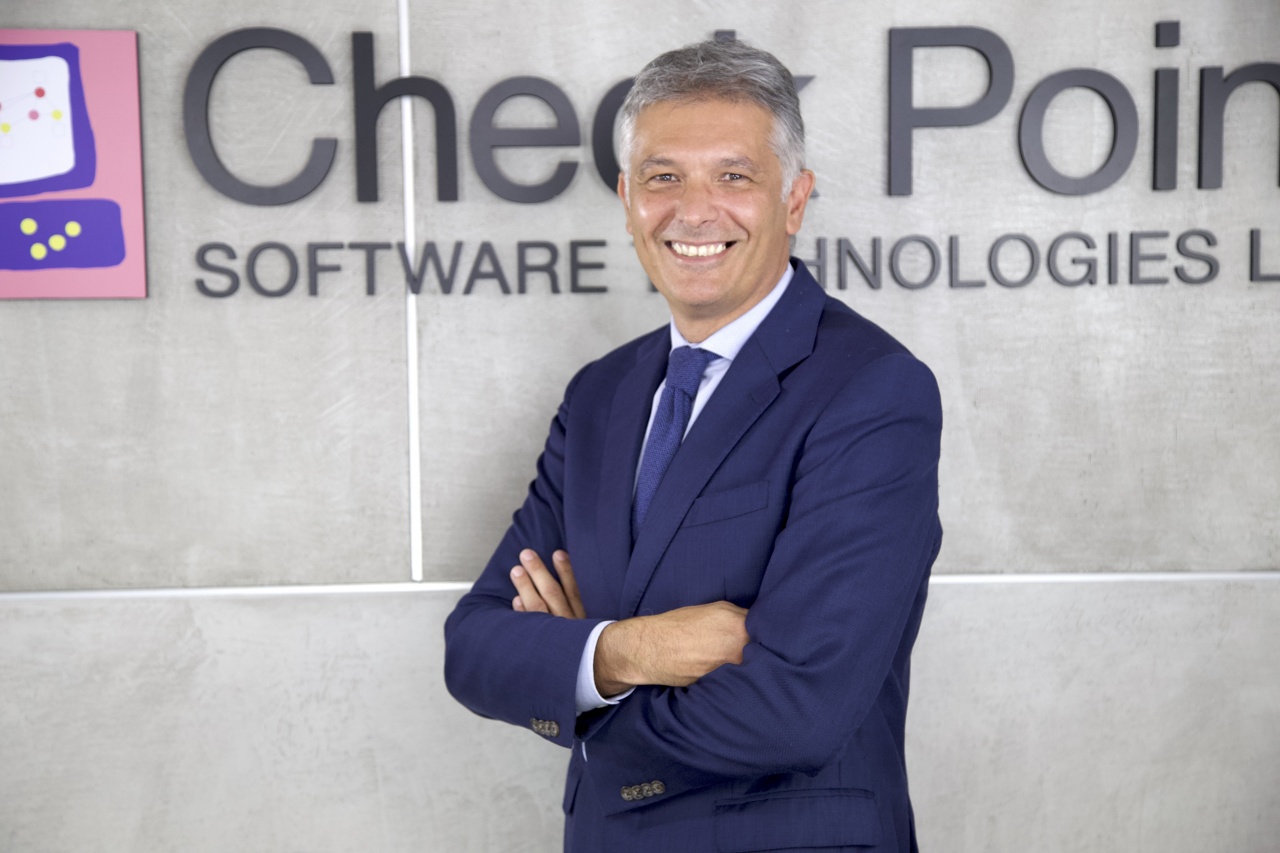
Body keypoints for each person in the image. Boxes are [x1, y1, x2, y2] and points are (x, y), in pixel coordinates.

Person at [444, 38, 942, 853]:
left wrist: (579, 687)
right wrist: (632, 649)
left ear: (795, 199)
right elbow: (474, 646)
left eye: (734, 176)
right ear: (627, 198)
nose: (695, 210)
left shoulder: (872, 391)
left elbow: (799, 710)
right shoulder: (600, 395)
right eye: (663, 177)